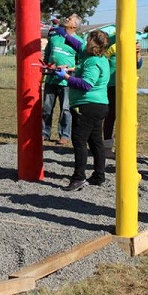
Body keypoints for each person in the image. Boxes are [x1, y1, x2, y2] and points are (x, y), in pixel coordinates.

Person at [51, 28, 110, 191]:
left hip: (87, 106)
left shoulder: (93, 61)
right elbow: (77, 45)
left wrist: (66, 77)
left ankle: (79, 177)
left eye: (88, 38)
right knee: (95, 141)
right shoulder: (98, 58)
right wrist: (62, 33)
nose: (85, 40)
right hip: (98, 105)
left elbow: (86, 84)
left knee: (79, 140)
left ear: (93, 43)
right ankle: (99, 175)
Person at [42, 14, 82, 146]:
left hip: (67, 81)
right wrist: (47, 66)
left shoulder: (79, 42)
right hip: (51, 79)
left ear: (75, 25)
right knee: (47, 108)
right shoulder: (54, 38)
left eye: (69, 19)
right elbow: (47, 56)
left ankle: (64, 135)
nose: (66, 19)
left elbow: (81, 63)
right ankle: (44, 133)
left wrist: (69, 70)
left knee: (66, 109)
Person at [101, 36, 143, 159]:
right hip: (112, 86)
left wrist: (138, 52)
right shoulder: (111, 44)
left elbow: (138, 64)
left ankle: (124, 147)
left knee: (126, 117)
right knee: (111, 116)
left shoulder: (132, 43)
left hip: (127, 87)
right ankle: (107, 147)